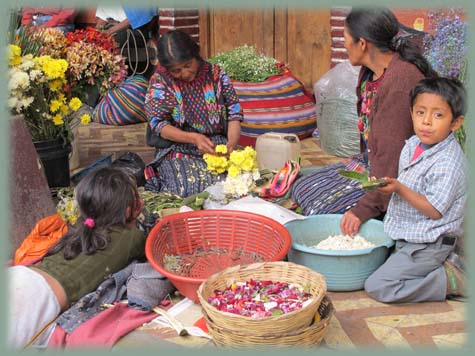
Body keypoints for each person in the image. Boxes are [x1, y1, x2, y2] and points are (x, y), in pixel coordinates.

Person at [291, 6, 437, 234]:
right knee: (302, 186)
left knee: (319, 207)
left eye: (346, 39)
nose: (344, 45)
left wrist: (364, 208)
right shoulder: (371, 73)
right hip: (373, 165)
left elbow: (392, 158)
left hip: (397, 180)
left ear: (362, 43)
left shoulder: (400, 83)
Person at [8, 167, 146, 349]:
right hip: (35, 299)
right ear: (130, 209)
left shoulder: (80, 229)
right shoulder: (132, 238)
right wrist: (134, 219)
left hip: (20, 278)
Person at [364, 77, 467, 303]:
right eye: (420, 113)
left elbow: (434, 210)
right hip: (407, 232)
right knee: (364, 261)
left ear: (456, 122)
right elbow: (410, 187)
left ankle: (452, 279)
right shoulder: (412, 145)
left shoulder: (448, 162)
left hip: (430, 243)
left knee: (378, 286)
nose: (426, 122)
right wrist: (386, 187)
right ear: (411, 113)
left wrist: (399, 189)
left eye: (438, 115)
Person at [144, 30, 243, 197]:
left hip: (216, 143)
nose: (185, 73)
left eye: (188, 65)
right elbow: (159, 124)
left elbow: (234, 112)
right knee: (188, 187)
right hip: (177, 147)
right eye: (176, 70)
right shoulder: (160, 82)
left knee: (240, 182)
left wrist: (231, 144)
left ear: (196, 55)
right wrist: (194, 138)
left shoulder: (216, 74)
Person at [95, 6, 158, 76]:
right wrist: (96, 34)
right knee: (95, 46)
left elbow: (134, 19)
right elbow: (102, 17)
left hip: (135, 29)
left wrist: (110, 31)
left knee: (115, 44)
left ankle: (152, 52)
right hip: (112, 27)